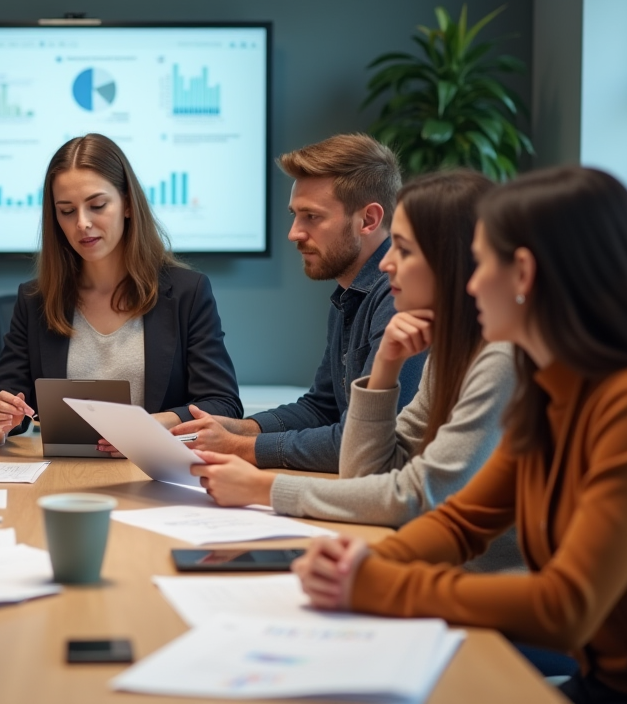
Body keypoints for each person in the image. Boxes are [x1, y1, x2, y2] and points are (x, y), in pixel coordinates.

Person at [296, 166, 627, 704]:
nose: (468, 282)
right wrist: (366, 562)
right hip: (605, 677)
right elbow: (465, 520)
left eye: (481, 262)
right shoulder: (551, 383)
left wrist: (381, 584)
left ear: (524, 274)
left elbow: (565, 607)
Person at [191, 171, 523, 572]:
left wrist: (266, 487)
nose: (385, 262)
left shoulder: (501, 358)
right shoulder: (453, 349)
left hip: (485, 589)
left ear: (451, 259)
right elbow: (365, 471)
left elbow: (416, 495)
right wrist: (384, 368)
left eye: (403, 248)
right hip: (444, 569)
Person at [0, 133, 242, 451]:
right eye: (67, 211)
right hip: (61, 477)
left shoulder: (187, 293)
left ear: (127, 204)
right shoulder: (36, 300)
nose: (82, 223)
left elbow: (222, 405)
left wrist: (150, 425)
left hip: (155, 473)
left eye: (97, 205)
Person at [171, 133, 426, 471]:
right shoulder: (351, 294)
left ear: (368, 220)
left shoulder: (398, 297)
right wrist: (239, 428)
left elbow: (368, 443)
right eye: (295, 215)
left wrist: (241, 447)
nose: (294, 232)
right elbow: (322, 408)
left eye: (312, 217)